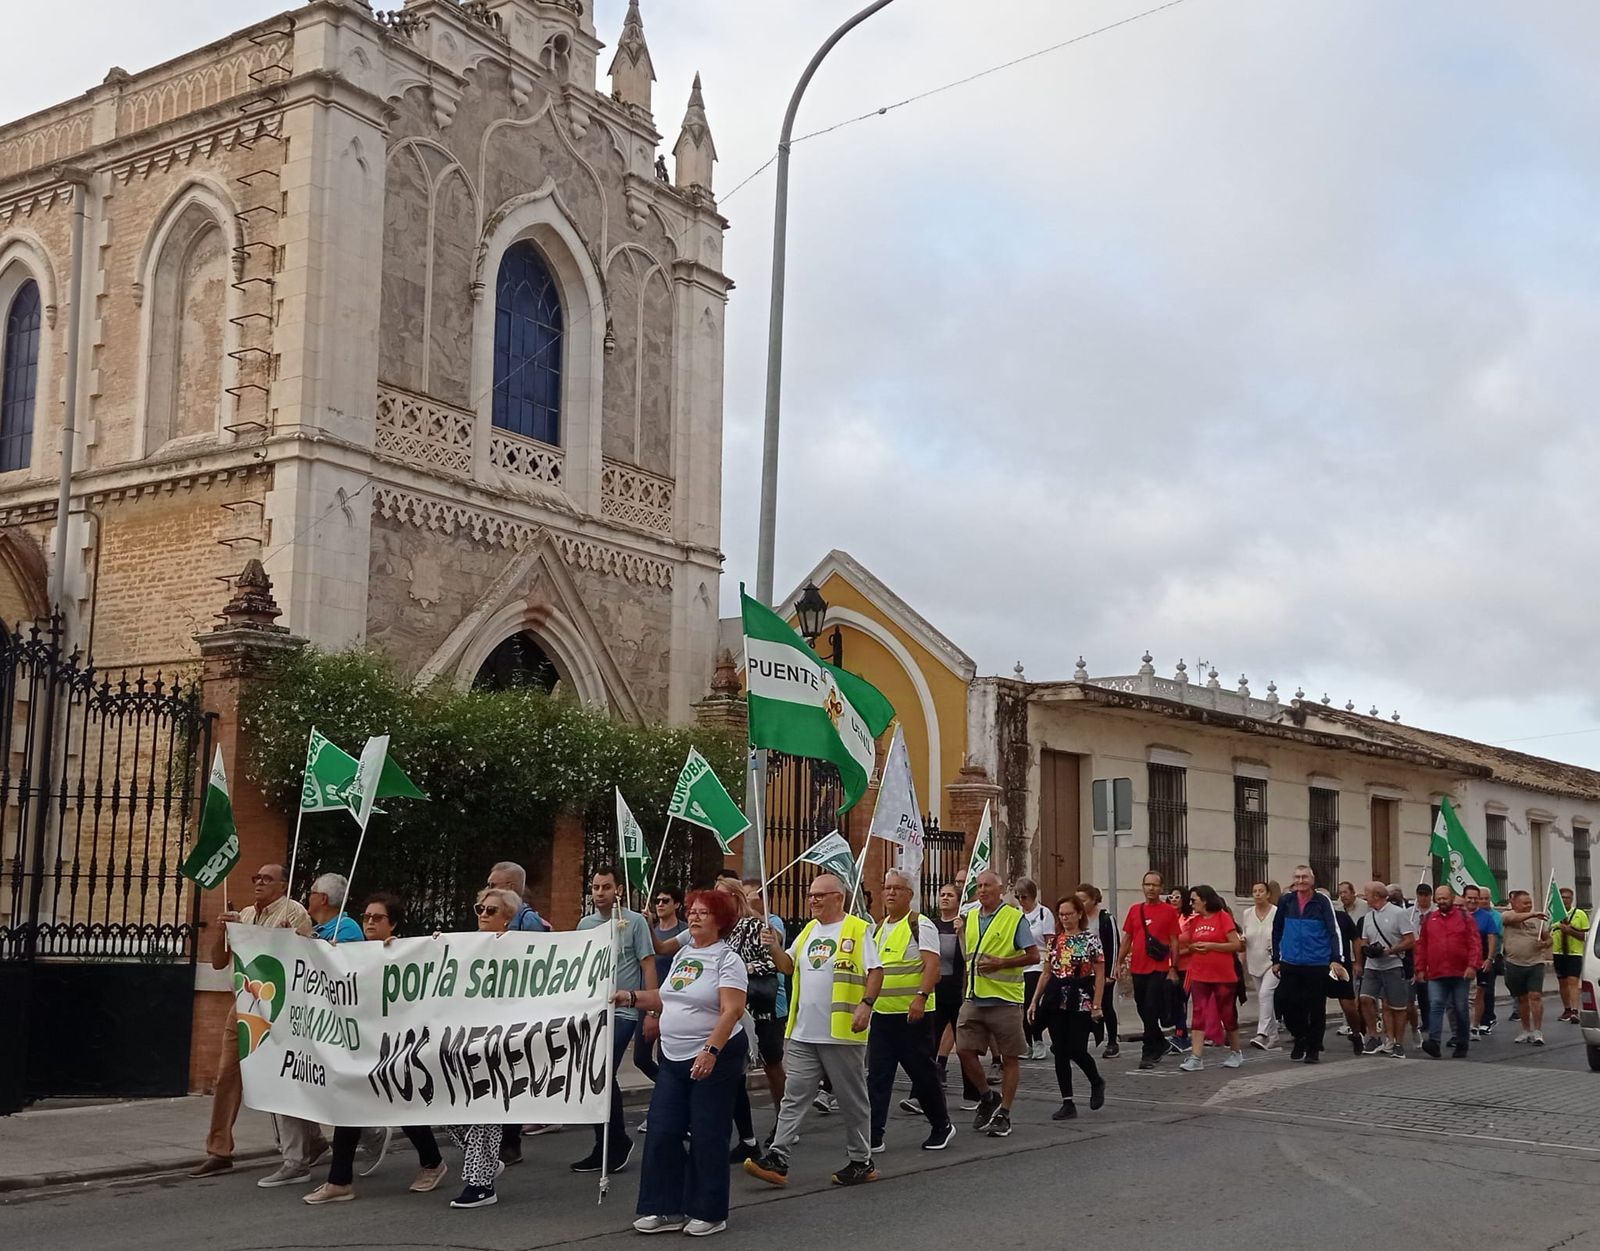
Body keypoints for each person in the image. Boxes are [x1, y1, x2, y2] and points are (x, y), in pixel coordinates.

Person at [303, 892, 449, 1204]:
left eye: (377, 917)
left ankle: (433, 1162)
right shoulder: (354, 953)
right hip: (362, 1045)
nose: (369, 922)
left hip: (393, 1046)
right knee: (350, 1106)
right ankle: (340, 1180)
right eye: (366, 917)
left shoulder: (402, 953)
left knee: (401, 1106)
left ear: (392, 923)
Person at [745, 872, 883, 1189]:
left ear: (839, 897)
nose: (813, 900)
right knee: (794, 1097)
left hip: (842, 1032)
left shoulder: (857, 930)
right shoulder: (808, 931)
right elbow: (787, 966)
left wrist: (866, 1004)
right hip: (805, 1032)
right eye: (810, 895)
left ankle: (862, 1160)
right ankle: (778, 1158)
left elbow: (876, 970)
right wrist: (775, 946)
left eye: (820, 895)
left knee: (852, 1101)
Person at [627, 888, 749, 1237]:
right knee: (663, 1130)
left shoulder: (727, 959)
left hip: (714, 1057)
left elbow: (732, 1010)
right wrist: (630, 997)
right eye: (692, 911)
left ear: (721, 920)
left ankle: (708, 1211)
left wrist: (710, 1051)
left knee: (708, 1133)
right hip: (673, 1056)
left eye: (703, 913)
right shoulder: (684, 954)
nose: (693, 917)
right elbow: (665, 997)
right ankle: (663, 1206)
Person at [190, 863, 314, 1180]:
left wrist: (285, 936)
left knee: (283, 1077)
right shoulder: (244, 915)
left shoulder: (294, 912)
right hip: (243, 1005)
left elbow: (305, 956)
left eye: (267, 879)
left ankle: (311, 1141)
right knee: (226, 1076)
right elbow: (219, 962)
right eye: (256, 877)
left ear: (283, 885)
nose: (259, 882)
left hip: (278, 1006)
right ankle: (219, 1150)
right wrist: (224, 931)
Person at [572, 866, 655, 1174]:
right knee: (594, 1075)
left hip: (624, 1011)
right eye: (595, 887)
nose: (599, 892)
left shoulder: (634, 923)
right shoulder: (585, 924)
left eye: (606, 887)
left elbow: (648, 966)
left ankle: (614, 1142)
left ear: (617, 889)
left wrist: (650, 1010)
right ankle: (607, 1141)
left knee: (603, 1071)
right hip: (594, 1011)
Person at [445, 886, 523, 1208]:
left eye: (491, 910)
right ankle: (487, 1165)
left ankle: (480, 1184)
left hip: (498, 1042)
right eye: (480, 909)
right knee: (448, 1112)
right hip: (463, 1041)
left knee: (483, 1112)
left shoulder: (519, 949)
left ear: (507, 917)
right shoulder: (465, 945)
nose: (483, 915)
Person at [867, 869, 955, 1152]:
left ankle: (941, 1125)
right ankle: (873, 1134)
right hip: (882, 1016)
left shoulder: (920, 924)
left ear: (910, 895)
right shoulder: (878, 928)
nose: (891, 893)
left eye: (897, 888)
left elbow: (932, 965)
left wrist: (920, 997)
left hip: (912, 1016)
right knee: (878, 1076)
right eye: (887, 887)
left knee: (922, 1074)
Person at [955, 870, 1039, 1138]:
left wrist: (1003, 963)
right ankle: (986, 1096)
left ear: (1000, 890)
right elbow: (968, 955)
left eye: (987, 886)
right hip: (974, 997)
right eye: (978, 886)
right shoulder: (969, 919)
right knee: (965, 1050)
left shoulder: (1014, 918)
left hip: (1004, 999)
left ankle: (1004, 1111)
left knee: (1009, 1057)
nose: (982, 890)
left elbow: (1034, 956)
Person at [1029, 894, 1105, 1118]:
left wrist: (1097, 1005)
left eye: (1069, 914)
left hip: (1081, 999)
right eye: (1061, 915)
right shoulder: (1055, 941)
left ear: (1079, 914)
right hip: (1056, 1000)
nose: (1065, 918)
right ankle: (1067, 1101)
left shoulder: (1091, 940)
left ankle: (1096, 1080)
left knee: (1076, 1049)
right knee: (1060, 1050)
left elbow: (1099, 975)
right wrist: (1035, 1000)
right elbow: (1046, 973)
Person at [1270, 865, 1343, 1063]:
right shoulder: (1286, 900)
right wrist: (1276, 959)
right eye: (1297, 877)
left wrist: (1336, 959)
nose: (1301, 881)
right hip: (1290, 962)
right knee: (1285, 1001)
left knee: (1315, 1006)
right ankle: (1300, 1037)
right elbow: (1277, 930)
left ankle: (1313, 1048)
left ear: (1312, 880)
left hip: (1317, 962)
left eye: (1304, 877)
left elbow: (1333, 930)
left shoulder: (1321, 901)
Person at [633, 885, 688, 1120]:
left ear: (677, 904)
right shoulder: (651, 931)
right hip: (650, 1000)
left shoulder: (684, 932)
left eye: (666, 900)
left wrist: (655, 1014)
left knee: (667, 1059)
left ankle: (669, 1107)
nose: (660, 904)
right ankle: (671, 1093)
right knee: (641, 1058)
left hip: (672, 1005)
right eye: (657, 900)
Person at [1116, 871, 1179, 1070]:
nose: (1151, 888)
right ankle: (1160, 1041)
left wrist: (1173, 967)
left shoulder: (1168, 911)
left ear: (1161, 888)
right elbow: (1127, 938)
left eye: (1155, 885)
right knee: (1142, 1007)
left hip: (1158, 967)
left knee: (1151, 1007)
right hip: (1138, 967)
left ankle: (1148, 1049)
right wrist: (1118, 962)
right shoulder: (1136, 910)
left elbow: (1174, 941)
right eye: (1147, 884)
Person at [1178, 885, 1245, 1072]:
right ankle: (1196, 1057)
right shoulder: (1195, 921)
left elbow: (1236, 945)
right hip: (1200, 973)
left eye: (1194, 900)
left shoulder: (1223, 917)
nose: (1191, 904)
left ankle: (1235, 1051)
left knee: (1227, 1014)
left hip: (1223, 975)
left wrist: (1212, 946)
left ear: (1205, 900)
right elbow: (1187, 942)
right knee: (1198, 1012)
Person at [742, 879, 789, 1125]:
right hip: (744, 1005)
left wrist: (755, 913)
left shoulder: (773, 921)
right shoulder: (738, 926)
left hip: (771, 1005)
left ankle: (783, 1118)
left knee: (772, 1064)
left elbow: (775, 938)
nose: (746, 899)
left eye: (750, 895)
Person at [1415, 883, 1477, 1058]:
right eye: (1439, 898)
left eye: (1444, 898)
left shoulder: (1465, 918)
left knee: (1460, 1008)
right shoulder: (1429, 919)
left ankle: (1462, 1042)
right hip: (1436, 972)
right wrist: (1420, 968)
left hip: (1460, 972)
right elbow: (1422, 946)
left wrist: (1473, 965)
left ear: (1451, 898)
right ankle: (1434, 1042)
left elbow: (1474, 943)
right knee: (1435, 1005)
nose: (1441, 901)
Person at [1355, 880, 1416, 1056]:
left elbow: (1410, 940)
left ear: (1376, 895)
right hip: (1372, 966)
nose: (1364, 896)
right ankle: (1374, 1036)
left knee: (1397, 1006)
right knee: (1365, 999)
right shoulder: (1368, 916)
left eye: (1366, 893)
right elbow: (1364, 940)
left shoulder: (1398, 914)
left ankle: (1398, 1042)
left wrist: (1390, 951)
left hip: (1393, 964)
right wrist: (1367, 949)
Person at [928, 880, 974, 1109]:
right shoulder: (931, 926)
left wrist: (962, 933)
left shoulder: (963, 925)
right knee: (929, 1046)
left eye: (950, 895)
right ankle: (923, 1094)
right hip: (936, 993)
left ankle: (974, 1094)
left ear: (958, 901)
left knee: (965, 1047)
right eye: (942, 894)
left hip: (957, 993)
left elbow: (968, 958)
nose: (944, 898)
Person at [1499, 889, 1552, 1046]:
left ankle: (1538, 1031)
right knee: (1521, 998)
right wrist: (1533, 914)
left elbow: (1549, 939)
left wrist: (1544, 944)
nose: (1528, 906)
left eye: (1530, 903)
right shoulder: (1507, 915)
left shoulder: (1539, 921)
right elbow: (1514, 918)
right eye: (1525, 903)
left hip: (1535, 963)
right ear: (1514, 903)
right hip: (1514, 964)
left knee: (1535, 996)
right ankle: (1525, 1030)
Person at [1076, 883, 1120, 1059]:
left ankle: (1112, 1042)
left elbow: (1114, 944)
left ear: (1094, 900)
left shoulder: (1105, 918)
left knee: (1105, 1005)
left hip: (1103, 970)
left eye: (1083, 900)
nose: (1080, 904)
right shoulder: (1079, 918)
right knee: (1084, 1006)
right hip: (1084, 972)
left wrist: (1111, 971)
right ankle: (1084, 1040)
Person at [1014, 877, 1056, 1060]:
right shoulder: (1016, 914)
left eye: (1024, 897)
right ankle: (1028, 1042)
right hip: (1020, 963)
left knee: (1032, 1002)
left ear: (1032, 896)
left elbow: (1050, 942)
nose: (1021, 901)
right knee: (1021, 1006)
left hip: (1038, 963)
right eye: (1018, 897)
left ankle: (1038, 1039)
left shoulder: (1043, 914)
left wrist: (1050, 964)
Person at [1243, 880, 1280, 1050]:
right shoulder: (1247, 913)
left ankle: (1262, 1034)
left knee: (1266, 994)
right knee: (1265, 999)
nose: (1257, 894)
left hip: (1273, 963)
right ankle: (1273, 1037)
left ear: (1268, 894)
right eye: (1254, 891)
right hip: (1254, 961)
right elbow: (1245, 936)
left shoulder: (1277, 913)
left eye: (1260, 891)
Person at [1329, 888, 1366, 1054]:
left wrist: (1358, 962)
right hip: (1318, 965)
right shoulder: (1312, 919)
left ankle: (1357, 1034)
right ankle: (1312, 1040)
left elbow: (1356, 939)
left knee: (1348, 1005)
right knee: (1313, 1004)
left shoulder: (1342, 918)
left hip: (1341, 966)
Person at [1464, 885, 1502, 1036]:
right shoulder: (1459, 915)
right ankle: (1463, 1024)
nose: (1473, 901)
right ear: (1464, 898)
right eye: (1470, 898)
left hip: (1482, 959)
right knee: (1463, 994)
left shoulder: (1487, 917)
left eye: (1476, 898)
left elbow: (1492, 938)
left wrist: (1489, 958)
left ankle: (1477, 1024)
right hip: (1463, 961)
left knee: (1481, 992)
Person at [1553, 887, 1589, 1024]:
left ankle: (1574, 1010)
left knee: (1573, 981)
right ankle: (1567, 1009)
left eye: (1567, 898)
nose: (1564, 900)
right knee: (1562, 981)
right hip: (1558, 952)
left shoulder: (1580, 914)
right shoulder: (1555, 914)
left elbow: (1585, 935)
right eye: (1562, 897)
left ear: (1572, 899)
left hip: (1574, 953)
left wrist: (1570, 931)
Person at [1167, 886, 1195, 1053]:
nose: (1174, 899)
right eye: (1171, 896)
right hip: (1169, 966)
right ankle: (1178, 1032)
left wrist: (1178, 953)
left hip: (1187, 966)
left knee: (1181, 999)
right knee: (1170, 998)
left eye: (1178, 896)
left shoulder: (1190, 919)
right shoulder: (1168, 917)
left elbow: (1192, 944)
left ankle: (1181, 1034)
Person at [488, 861, 548, 932]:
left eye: (492, 885)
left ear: (510, 887)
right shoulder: (488, 914)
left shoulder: (528, 920)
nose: (488, 889)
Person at [307, 873, 364, 942]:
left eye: (312, 893)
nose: (309, 897)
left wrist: (310, 934)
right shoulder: (316, 928)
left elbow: (330, 952)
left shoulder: (347, 929)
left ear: (323, 899)